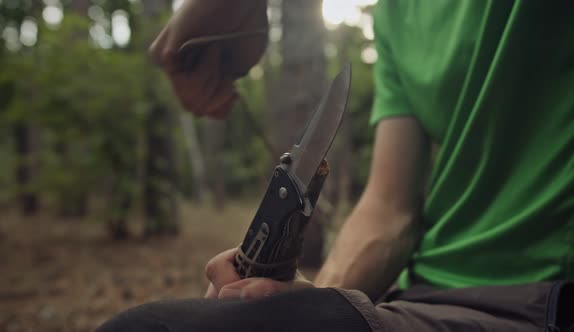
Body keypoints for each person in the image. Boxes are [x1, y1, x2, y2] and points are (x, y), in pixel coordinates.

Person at [96, 1, 574, 331]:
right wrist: (305, 302)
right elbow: (390, 208)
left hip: (540, 300)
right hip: (420, 300)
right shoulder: (397, 14)